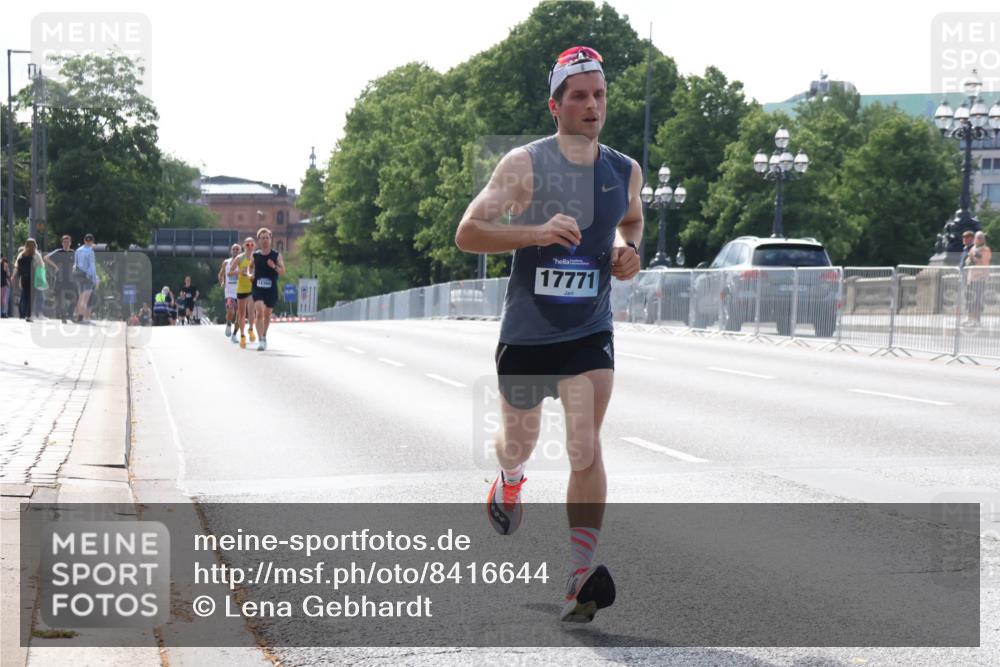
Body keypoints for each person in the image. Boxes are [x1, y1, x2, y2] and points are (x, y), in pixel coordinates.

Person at [454, 46, 643, 623]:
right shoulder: (525, 164)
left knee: (585, 443)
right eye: (579, 96)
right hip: (528, 333)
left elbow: (632, 219)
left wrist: (628, 250)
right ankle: (510, 480)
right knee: (519, 442)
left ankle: (580, 574)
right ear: (555, 106)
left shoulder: (624, 170)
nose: (592, 105)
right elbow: (468, 232)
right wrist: (535, 232)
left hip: (589, 328)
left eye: (599, 95)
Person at [249, 227, 285, 351]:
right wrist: (250, 274)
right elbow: (250, 267)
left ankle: (264, 336)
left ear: (270, 240)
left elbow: (282, 271)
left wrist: (274, 266)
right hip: (257, 287)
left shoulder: (276, 255)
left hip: (271, 288)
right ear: (259, 240)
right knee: (259, 312)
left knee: (267, 314)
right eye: (262, 238)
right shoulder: (255, 255)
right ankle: (260, 340)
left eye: (267, 238)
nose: (265, 240)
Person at [46, 235, 78, 323]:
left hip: (71, 280)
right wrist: (55, 266)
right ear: (62, 243)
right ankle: (63, 317)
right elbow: (46, 258)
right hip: (60, 280)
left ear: (70, 243)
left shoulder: (73, 252)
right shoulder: (58, 251)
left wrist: (74, 267)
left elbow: (77, 263)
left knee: (76, 296)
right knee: (61, 299)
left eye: (67, 242)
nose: (66, 243)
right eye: (64, 242)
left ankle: (70, 314)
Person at [964, 230, 992, 325]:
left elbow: (985, 262)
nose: (978, 239)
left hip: (980, 278)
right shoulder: (972, 249)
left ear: (983, 239)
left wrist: (977, 257)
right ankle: (970, 318)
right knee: (969, 299)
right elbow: (968, 261)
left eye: (980, 238)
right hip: (971, 278)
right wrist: (970, 259)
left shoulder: (986, 249)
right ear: (974, 239)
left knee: (977, 300)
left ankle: (976, 320)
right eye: (977, 237)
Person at [234, 237, 257, 348]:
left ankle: (251, 329)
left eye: (252, 245)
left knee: (251, 310)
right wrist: (239, 271)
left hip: (252, 288)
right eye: (247, 245)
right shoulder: (239, 258)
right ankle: (242, 335)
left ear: (254, 246)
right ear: (243, 246)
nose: (250, 247)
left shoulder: (256, 257)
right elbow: (230, 272)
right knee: (241, 314)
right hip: (241, 289)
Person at [13, 239, 43, 321]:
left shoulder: (21, 254)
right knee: (31, 297)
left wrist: (13, 276)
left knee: (24, 295)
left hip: (24, 278)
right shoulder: (37, 255)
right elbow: (41, 267)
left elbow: (16, 266)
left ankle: (22, 313)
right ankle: (28, 315)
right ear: (35, 245)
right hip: (33, 278)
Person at [74, 233, 99, 323]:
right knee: (86, 299)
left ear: (84, 240)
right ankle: (83, 318)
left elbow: (75, 264)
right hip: (88, 277)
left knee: (80, 297)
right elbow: (92, 266)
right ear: (92, 241)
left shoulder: (78, 250)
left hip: (79, 276)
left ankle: (77, 316)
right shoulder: (90, 252)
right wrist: (95, 279)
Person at [219, 243, 241, 339]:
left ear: (240, 251)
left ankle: (235, 334)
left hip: (241, 292)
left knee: (240, 316)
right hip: (229, 292)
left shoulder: (243, 263)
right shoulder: (226, 262)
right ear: (231, 251)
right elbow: (220, 274)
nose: (235, 251)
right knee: (230, 311)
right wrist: (222, 282)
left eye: (237, 249)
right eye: (234, 249)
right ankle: (228, 323)